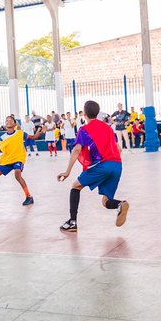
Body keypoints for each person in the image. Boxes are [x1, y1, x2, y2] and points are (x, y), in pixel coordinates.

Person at [57, 100, 129, 233]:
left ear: (84, 113)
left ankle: (72, 222)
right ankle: (120, 204)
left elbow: (77, 150)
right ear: (98, 112)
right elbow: (119, 149)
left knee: (76, 186)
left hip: (103, 165)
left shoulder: (84, 130)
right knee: (106, 201)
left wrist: (67, 172)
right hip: (117, 165)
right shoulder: (108, 127)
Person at [0, 116, 36, 206]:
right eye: (7, 120)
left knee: (17, 174)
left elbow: (33, 137)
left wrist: (41, 131)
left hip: (18, 158)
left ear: (15, 124)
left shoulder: (20, 133)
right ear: (5, 124)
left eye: (11, 120)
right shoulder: (3, 137)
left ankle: (29, 197)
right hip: (7, 160)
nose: (8, 121)